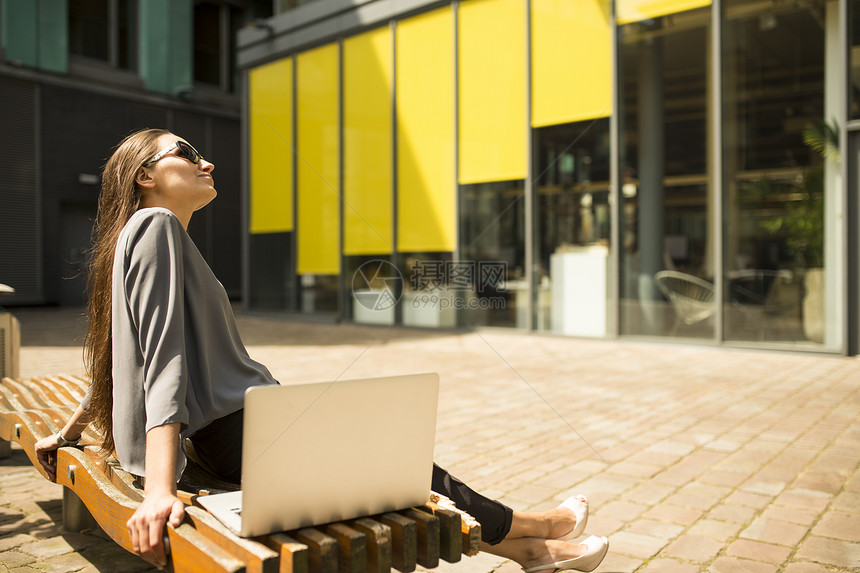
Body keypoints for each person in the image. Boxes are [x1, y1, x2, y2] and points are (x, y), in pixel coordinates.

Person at [34, 129, 609, 572]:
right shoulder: (157, 227)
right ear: (144, 176)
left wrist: (69, 431)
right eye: (184, 152)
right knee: (402, 463)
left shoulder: (140, 235)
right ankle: (538, 528)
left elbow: (116, 351)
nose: (206, 162)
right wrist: (159, 493)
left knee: (398, 458)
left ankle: (529, 550)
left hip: (234, 431)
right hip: (237, 433)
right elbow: (161, 360)